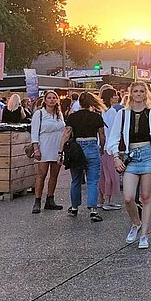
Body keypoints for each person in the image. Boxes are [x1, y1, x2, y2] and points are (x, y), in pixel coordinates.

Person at [105, 81, 151, 250]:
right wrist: (116, 157)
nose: (139, 94)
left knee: (146, 197)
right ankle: (136, 223)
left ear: (145, 94)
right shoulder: (122, 114)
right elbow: (113, 138)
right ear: (131, 93)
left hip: (148, 155)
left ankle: (144, 235)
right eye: (136, 91)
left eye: (141, 91)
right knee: (128, 198)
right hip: (131, 156)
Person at [60, 92, 106, 222]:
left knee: (76, 180)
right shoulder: (97, 117)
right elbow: (102, 136)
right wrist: (102, 148)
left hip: (77, 148)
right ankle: (93, 209)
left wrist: (60, 151)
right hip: (92, 146)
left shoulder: (72, 116)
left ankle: (74, 207)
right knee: (93, 181)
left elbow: (66, 134)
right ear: (92, 102)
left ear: (79, 102)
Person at [30, 90, 66, 214]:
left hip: (57, 146)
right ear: (45, 100)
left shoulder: (59, 114)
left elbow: (63, 130)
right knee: (42, 174)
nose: (52, 100)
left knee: (54, 175)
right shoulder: (39, 114)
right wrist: (36, 148)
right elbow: (34, 132)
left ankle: (50, 199)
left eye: (54, 98)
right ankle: (37, 200)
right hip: (44, 145)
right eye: (49, 98)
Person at [98, 87, 124, 210]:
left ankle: (101, 199)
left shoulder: (101, 111)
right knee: (111, 174)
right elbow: (115, 130)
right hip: (110, 146)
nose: (117, 97)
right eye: (114, 95)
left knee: (103, 174)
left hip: (101, 145)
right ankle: (107, 201)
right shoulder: (113, 112)